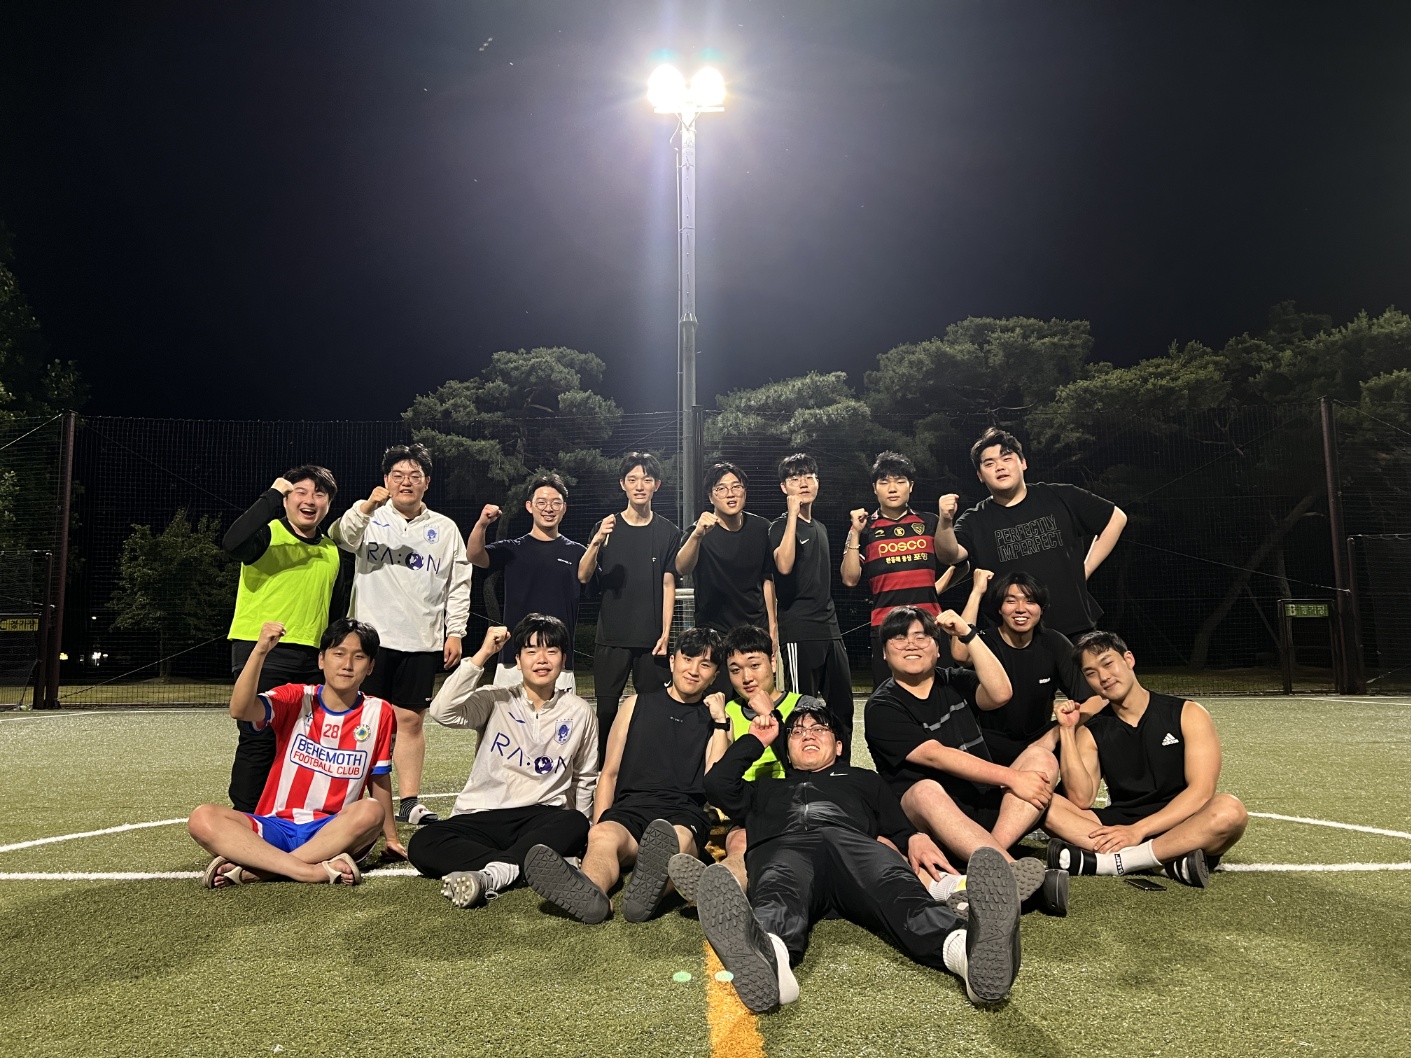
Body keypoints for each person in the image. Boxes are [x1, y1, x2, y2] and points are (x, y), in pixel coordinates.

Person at [696, 702, 1023, 1011]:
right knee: (777, 893)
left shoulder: (865, 780)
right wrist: (756, 740)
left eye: (819, 729)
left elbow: (898, 827)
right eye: (797, 732)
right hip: (784, 846)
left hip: (853, 846)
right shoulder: (763, 789)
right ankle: (773, 964)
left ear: (839, 746)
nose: (808, 735)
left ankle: (966, 954)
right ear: (787, 750)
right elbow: (716, 784)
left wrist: (915, 837)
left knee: (899, 890)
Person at [864, 606, 1067, 912]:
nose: (911, 644)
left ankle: (985, 861)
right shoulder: (882, 706)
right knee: (926, 790)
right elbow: (936, 756)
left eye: (921, 637)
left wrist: (968, 635)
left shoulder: (953, 680)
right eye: (899, 638)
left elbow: (1000, 693)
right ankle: (1008, 869)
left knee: (1041, 758)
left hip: (980, 809)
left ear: (937, 648)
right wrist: (1013, 778)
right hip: (928, 822)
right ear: (884, 652)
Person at [523, 627, 731, 924]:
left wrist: (721, 722)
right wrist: (597, 826)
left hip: (682, 812)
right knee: (603, 837)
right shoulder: (635, 704)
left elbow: (714, 782)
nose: (694, 670)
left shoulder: (717, 720)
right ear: (673, 661)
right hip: (631, 809)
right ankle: (592, 894)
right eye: (688, 659)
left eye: (705, 665)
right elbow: (609, 773)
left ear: (715, 675)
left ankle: (647, 896)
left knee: (676, 840)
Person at [188, 618, 404, 887]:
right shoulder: (297, 697)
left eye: (358, 657)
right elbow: (240, 709)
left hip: (333, 831)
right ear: (321, 660)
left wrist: (391, 838)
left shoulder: (380, 712)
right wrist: (260, 651)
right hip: (275, 826)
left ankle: (258, 870)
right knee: (202, 818)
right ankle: (308, 871)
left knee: (371, 811)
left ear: (370, 666)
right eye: (338, 654)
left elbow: (379, 778)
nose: (347, 664)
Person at [406, 615, 598, 908]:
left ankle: (496, 873)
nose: (542, 659)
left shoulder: (579, 711)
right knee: (423, 844)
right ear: (518, 660)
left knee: (574, 821)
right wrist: (483, 654)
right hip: (483, 814)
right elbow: (442, 711)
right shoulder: (494, 699)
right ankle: (527, 866)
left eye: (551, 651)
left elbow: (585, 777)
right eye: (531, 651)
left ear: (563, 659)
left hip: (539, 817)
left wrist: (582, 839)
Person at [331, 442, 473, 827]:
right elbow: (341, 536)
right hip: (369, 642)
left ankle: (409, 801)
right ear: (386, 480)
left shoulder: (445, 529)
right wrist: (366, 507)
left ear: (427, 482)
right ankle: (352, 798)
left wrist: (455, 632)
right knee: (363, 720)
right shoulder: (368, 516)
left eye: (414, 475)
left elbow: (459, 584)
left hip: (421, 640)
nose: (406, 482)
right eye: (398, 475)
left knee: (410, 721)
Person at [1044, 631, 1248, 888]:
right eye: (1091, 673)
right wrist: (1066, 730)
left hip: (1183, 822)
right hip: (1122, 821)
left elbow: (1201, 793)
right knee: (1043, 803)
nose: (1103, 677)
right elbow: (1080, 799)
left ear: (1129, 659)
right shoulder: (1092, 731)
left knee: (1231, 811)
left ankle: (1116, 862)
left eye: (1108, 663)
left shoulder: (1188, 713)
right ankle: (1164, 861)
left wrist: (1138, 831)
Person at [223, 465, 347, 813]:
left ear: (328, 503)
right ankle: (245, 819)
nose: (310, 500)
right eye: (300, 492)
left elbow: (335, 612)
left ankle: (293, 814)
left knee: (306, 744)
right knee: (259, 739)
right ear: (287, 499)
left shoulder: (332, 551)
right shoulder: (266, 535)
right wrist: (271, 495)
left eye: (319, 494)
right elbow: (231, 543)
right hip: (262, 654)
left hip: (312, 659)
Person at [666, 623, 816, 901]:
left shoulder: (805, 706)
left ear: (773, 662)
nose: (746, 677)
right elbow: (717, 777)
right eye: (735, 670)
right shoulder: (727, 712)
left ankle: (717, 886)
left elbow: (813, 766)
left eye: (754, 665)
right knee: (738, 841)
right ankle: (717, 886)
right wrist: (721, 722)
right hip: (748, 807)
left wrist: (772, 716)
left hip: (796, 801)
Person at [936, 427, 1127, 638]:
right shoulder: (974, 520)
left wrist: (1085, 569)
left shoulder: (1060, 496)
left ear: (1023, 463)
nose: (1000, 467)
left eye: (1007, 459)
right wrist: (945, 521)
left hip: (1075, 626)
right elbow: (950, 555)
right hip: (1012, 637)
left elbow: (1116, 518)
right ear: (980, 475)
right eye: (989, 463)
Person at [577, 452, 680, 766]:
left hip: (651, 640)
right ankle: (602, 772)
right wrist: (597, 541)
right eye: (633, 479)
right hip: (612, 637)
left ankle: (650, 769)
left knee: (653, 709)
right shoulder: (606, 527)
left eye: (646, 480)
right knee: (607, 711)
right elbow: (583, 575)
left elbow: (668, 584)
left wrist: (666, 634)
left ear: (656, 485)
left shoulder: (668, 532)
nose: (640, 486)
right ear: (622, 484)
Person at [950, 569, 1104, 763]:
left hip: (1038, 741)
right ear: (1000, 608)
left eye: (1030, 601)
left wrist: (1054, 735)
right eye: (1011, 601)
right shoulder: (984, 641)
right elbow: (960, 653)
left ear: (1041, 609)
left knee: (1091, 728)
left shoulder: (1054, 643)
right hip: (989, 742)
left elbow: (1095, 700)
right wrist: (977, 592)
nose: (1021, 609)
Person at [840, 450, 952, 688]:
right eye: (884, 482)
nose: (892, 488)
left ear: (911, 486)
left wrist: (934, 590)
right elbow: (849, 578)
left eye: (900, 481)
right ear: (874, 488)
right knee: (889, 697)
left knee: (941, 693)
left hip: (929, 625)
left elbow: (959, 563)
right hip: (885, 627)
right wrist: (855, 532)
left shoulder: (930, 522)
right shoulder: (864, 528)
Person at [466, 472, 585, 692]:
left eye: (555, 503)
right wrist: (482, 524)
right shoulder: (513, 549)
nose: (548, 508)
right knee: (507, 715)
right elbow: (474, 556)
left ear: (564, 508)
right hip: (514, 660)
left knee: (558, 716)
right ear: (529, 506)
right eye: (542, 502)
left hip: (559, 660)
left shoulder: (578, 553)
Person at [770, 452, 854, 758]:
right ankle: (800, 775)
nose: (803, 483)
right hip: (799, 631)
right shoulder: (779, 527)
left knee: (842, 706)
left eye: (809, 477)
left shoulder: (820, 527)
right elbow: (783, 565)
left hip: (829, 629)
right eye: (795, 478)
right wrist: (792, 515)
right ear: (784, 487)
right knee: (801, 711)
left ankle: (841, 769)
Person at [674, 461, 778, 694]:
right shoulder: (698, 531)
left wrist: (773, 629)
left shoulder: (762, 528)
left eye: (736, 486)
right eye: (721, 488)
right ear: (711, 496)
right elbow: (681, 567)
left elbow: (767, 579)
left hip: (754, 631)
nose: (730, 493)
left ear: (744, 492)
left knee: (757, 699)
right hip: (715, 633)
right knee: (718, 700)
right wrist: (698, 535)